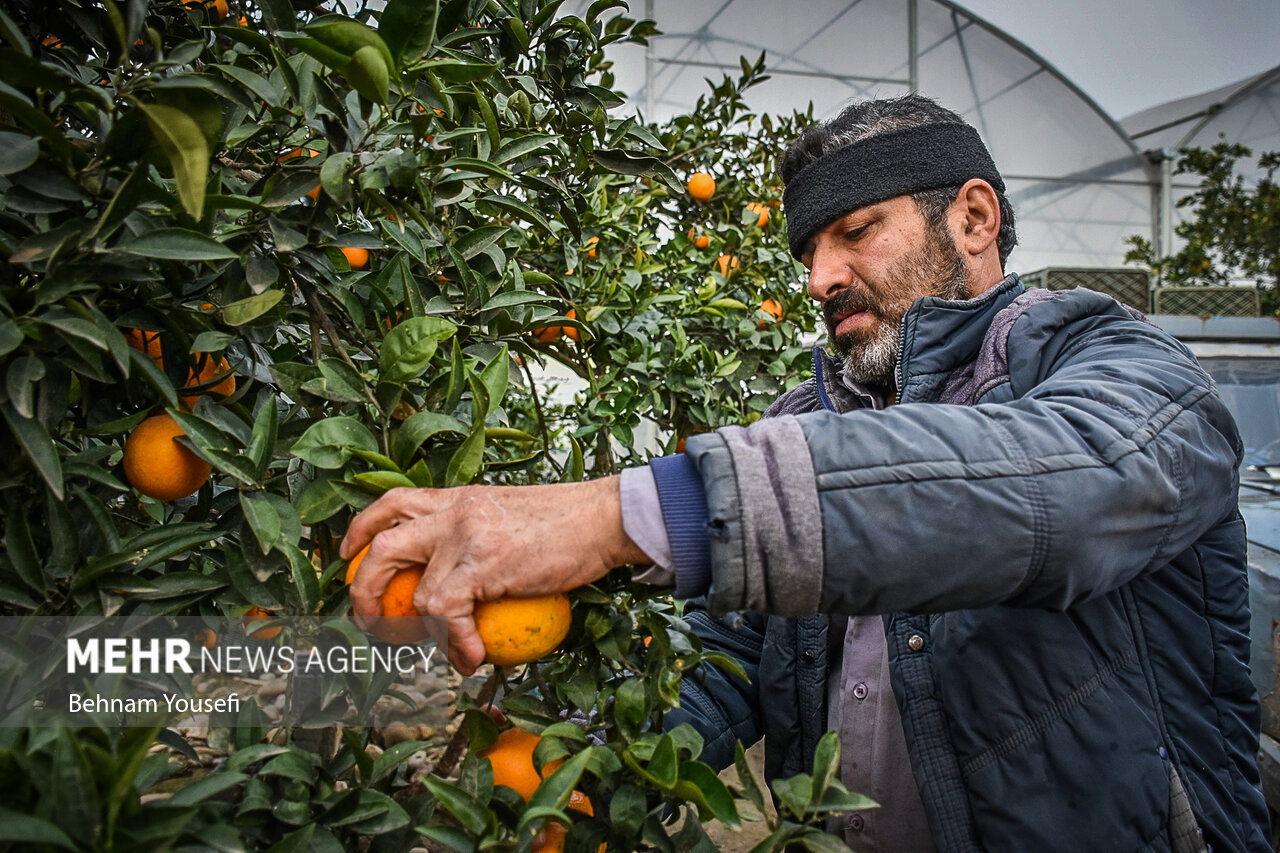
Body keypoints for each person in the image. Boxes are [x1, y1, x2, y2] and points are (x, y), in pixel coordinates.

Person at [341, 94, 1270, 852]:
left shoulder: (1119, 365)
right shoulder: (804, 420)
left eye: (855, 232)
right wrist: (579, 772)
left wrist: (617, 515)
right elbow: (729, 660)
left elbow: (1055, 488)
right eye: (808, 253)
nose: (820, 278)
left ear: (974, 218)